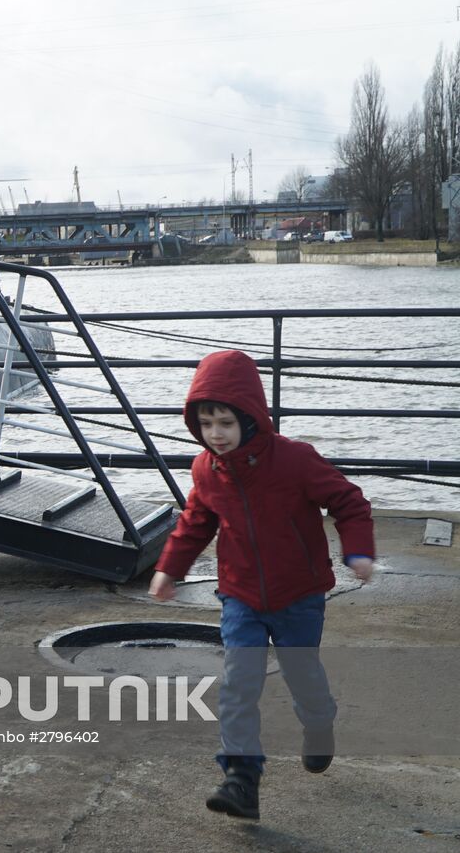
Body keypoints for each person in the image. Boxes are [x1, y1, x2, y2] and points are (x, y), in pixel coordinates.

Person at [149, 349, 375, 820]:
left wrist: (357, 550)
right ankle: (241, 778)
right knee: (238, 684)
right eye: (206, 423)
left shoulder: (294, 460)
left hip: (299, 595)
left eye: (226, 423)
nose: (216, 434)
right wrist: (170, 567)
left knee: (302, 675)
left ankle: (319, 723)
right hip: (241, 595)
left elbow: (348, 501)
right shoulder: (205, 469)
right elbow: (196, 521)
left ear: (251, 418)